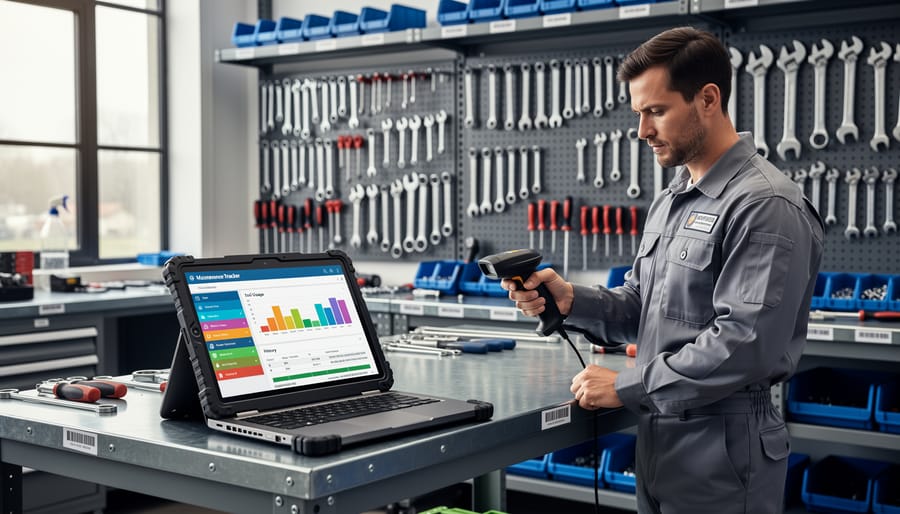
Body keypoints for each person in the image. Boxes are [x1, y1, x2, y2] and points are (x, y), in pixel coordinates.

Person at [503, 27, 824, 513]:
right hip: (660, 439)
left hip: (725, 451)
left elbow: (745, 344)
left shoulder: (766, 204)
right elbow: (645, 305)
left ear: (708, 99)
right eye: (639, 114)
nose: (642, 131)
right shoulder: (672, 198)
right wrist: (572, 300)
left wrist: (627, 386)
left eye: (656, 111)